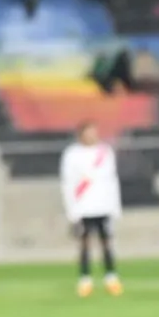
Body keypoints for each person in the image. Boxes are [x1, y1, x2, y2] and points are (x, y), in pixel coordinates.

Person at [59, 122, 123, 298]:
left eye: (94, 132)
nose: (92, 136)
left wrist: (115, 206)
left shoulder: (105, 152)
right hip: (83, 206)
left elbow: (111, 179)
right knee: (84, 244)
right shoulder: (72, 154)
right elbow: (68, 182)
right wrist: (71, 209)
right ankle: (85, 280)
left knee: (106, 243)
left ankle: (111, 278)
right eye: (88, 132)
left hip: (103, 205)